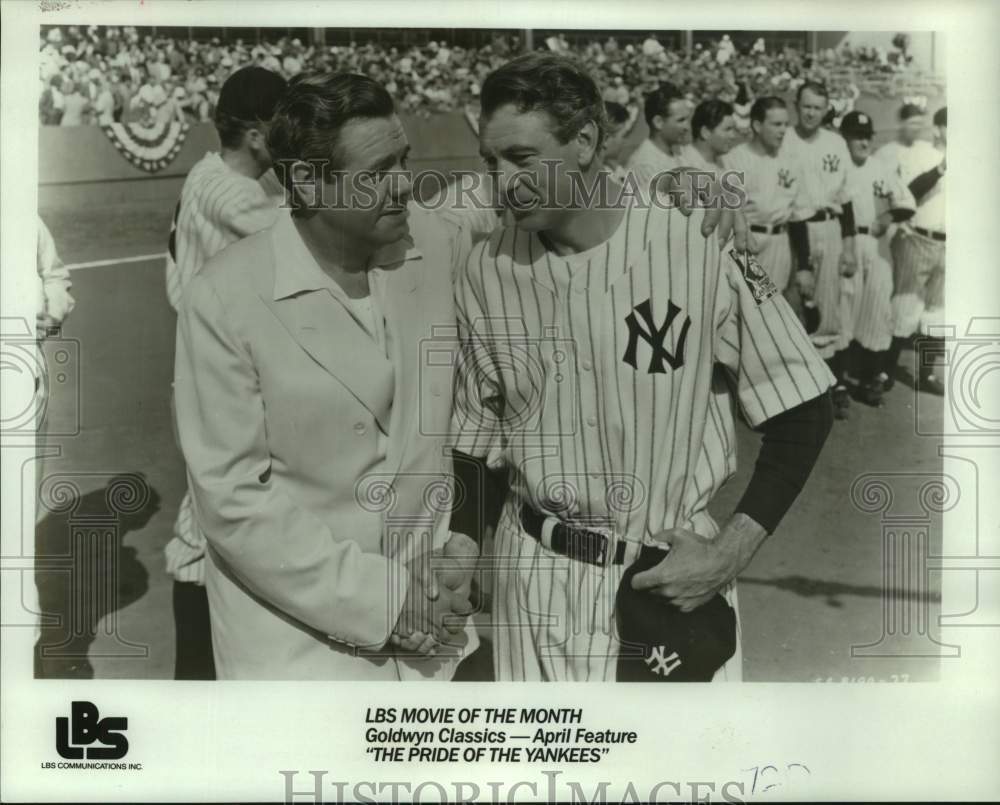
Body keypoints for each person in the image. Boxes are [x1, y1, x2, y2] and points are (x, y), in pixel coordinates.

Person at [451, 52, 833, 682]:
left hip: (662, 578)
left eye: (521, 159)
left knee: (669, 780)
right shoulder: (484, 266)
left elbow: (803, 410)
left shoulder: (699, 240)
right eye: (490, 162)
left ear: (584, 142)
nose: (501, 183)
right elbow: (476, 437)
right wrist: (465, 542)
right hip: (530, 576)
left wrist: (729, 553)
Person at [173, 71, 478, 680]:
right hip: (297, 648)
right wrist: (383, 599)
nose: (404, 185)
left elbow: (535, 195)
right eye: (377, 173)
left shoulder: (438, 242)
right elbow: (232, 499)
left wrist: (699, 201)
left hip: (436, 632)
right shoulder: (224, 296)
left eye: (404, 160)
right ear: (308, 182)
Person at [163, 66, 289, 680]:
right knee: (204, 518)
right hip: (212, 374)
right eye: (282, 124)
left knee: (225, 510)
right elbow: (303, 241)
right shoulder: (230, 192)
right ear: (257, 133)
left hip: (220, 364)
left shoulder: (214, 175)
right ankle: (195, 679)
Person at [782, 81, 858, 419]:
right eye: (806, 106)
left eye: (818, 107)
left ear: (827, 109)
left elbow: (847, 199)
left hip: (829, 226)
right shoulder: (784, 139)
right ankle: (791, 387)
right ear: (796, 105)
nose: (812, 112)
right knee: (793, 305)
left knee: (827, 305)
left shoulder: (836, 143)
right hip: (792, 228)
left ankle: (826, 385)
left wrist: (850, 245)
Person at [838, 111, 915, 406]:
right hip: (847, 242)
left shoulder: (880, 168)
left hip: (877, 245)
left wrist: (889, 214)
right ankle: (838, 384)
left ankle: (869, 379)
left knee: (878, 311)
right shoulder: (838, 167)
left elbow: (907, 202)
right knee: (843, 308)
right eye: (857, 136)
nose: (863, 141)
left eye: (867, 135)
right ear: (844, 138)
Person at [884, 106, 946, 395]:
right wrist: (941, 168)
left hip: (949, 244)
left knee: (937, 313)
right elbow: (909, 192)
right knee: (904, 308)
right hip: (918, 238)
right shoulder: (922, 153)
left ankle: (926, 375)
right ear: (937, 129)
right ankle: (884, 370)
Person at [725, 96, 812, 299]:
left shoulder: (791, 161)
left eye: (785, 124)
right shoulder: (735, 159)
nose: (783, 130)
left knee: (774, 309)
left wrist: (805, 266)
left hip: (780, 243)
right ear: (757, 125)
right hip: (748, 243)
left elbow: (798, 217)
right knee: (750, 305)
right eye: (776, 124)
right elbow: (729, 213)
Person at [625, 82, 699, 192]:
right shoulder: (646, 165)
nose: (687, 127)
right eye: (681, 120)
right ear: (658, 122)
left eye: (688, 120)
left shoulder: (677, 153)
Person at [688, 99, 738, 170]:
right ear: (705, 132)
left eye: (734, 129)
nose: (733, 136)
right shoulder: (684, 165)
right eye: (727, 129)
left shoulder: (726, 163)